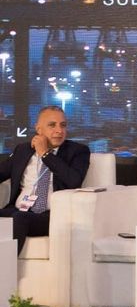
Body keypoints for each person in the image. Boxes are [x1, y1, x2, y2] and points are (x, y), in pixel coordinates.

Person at [0, 105, 89, 252]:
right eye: (52, 125)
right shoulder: (23, 150)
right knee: (18, 215)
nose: (59, 130)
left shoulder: (78, 151)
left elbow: (74, 181)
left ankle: (4, 265)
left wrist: (45, 153)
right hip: (19, 209)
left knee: (20, 218)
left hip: (52, 216)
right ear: (39, 129)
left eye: (63, 125)